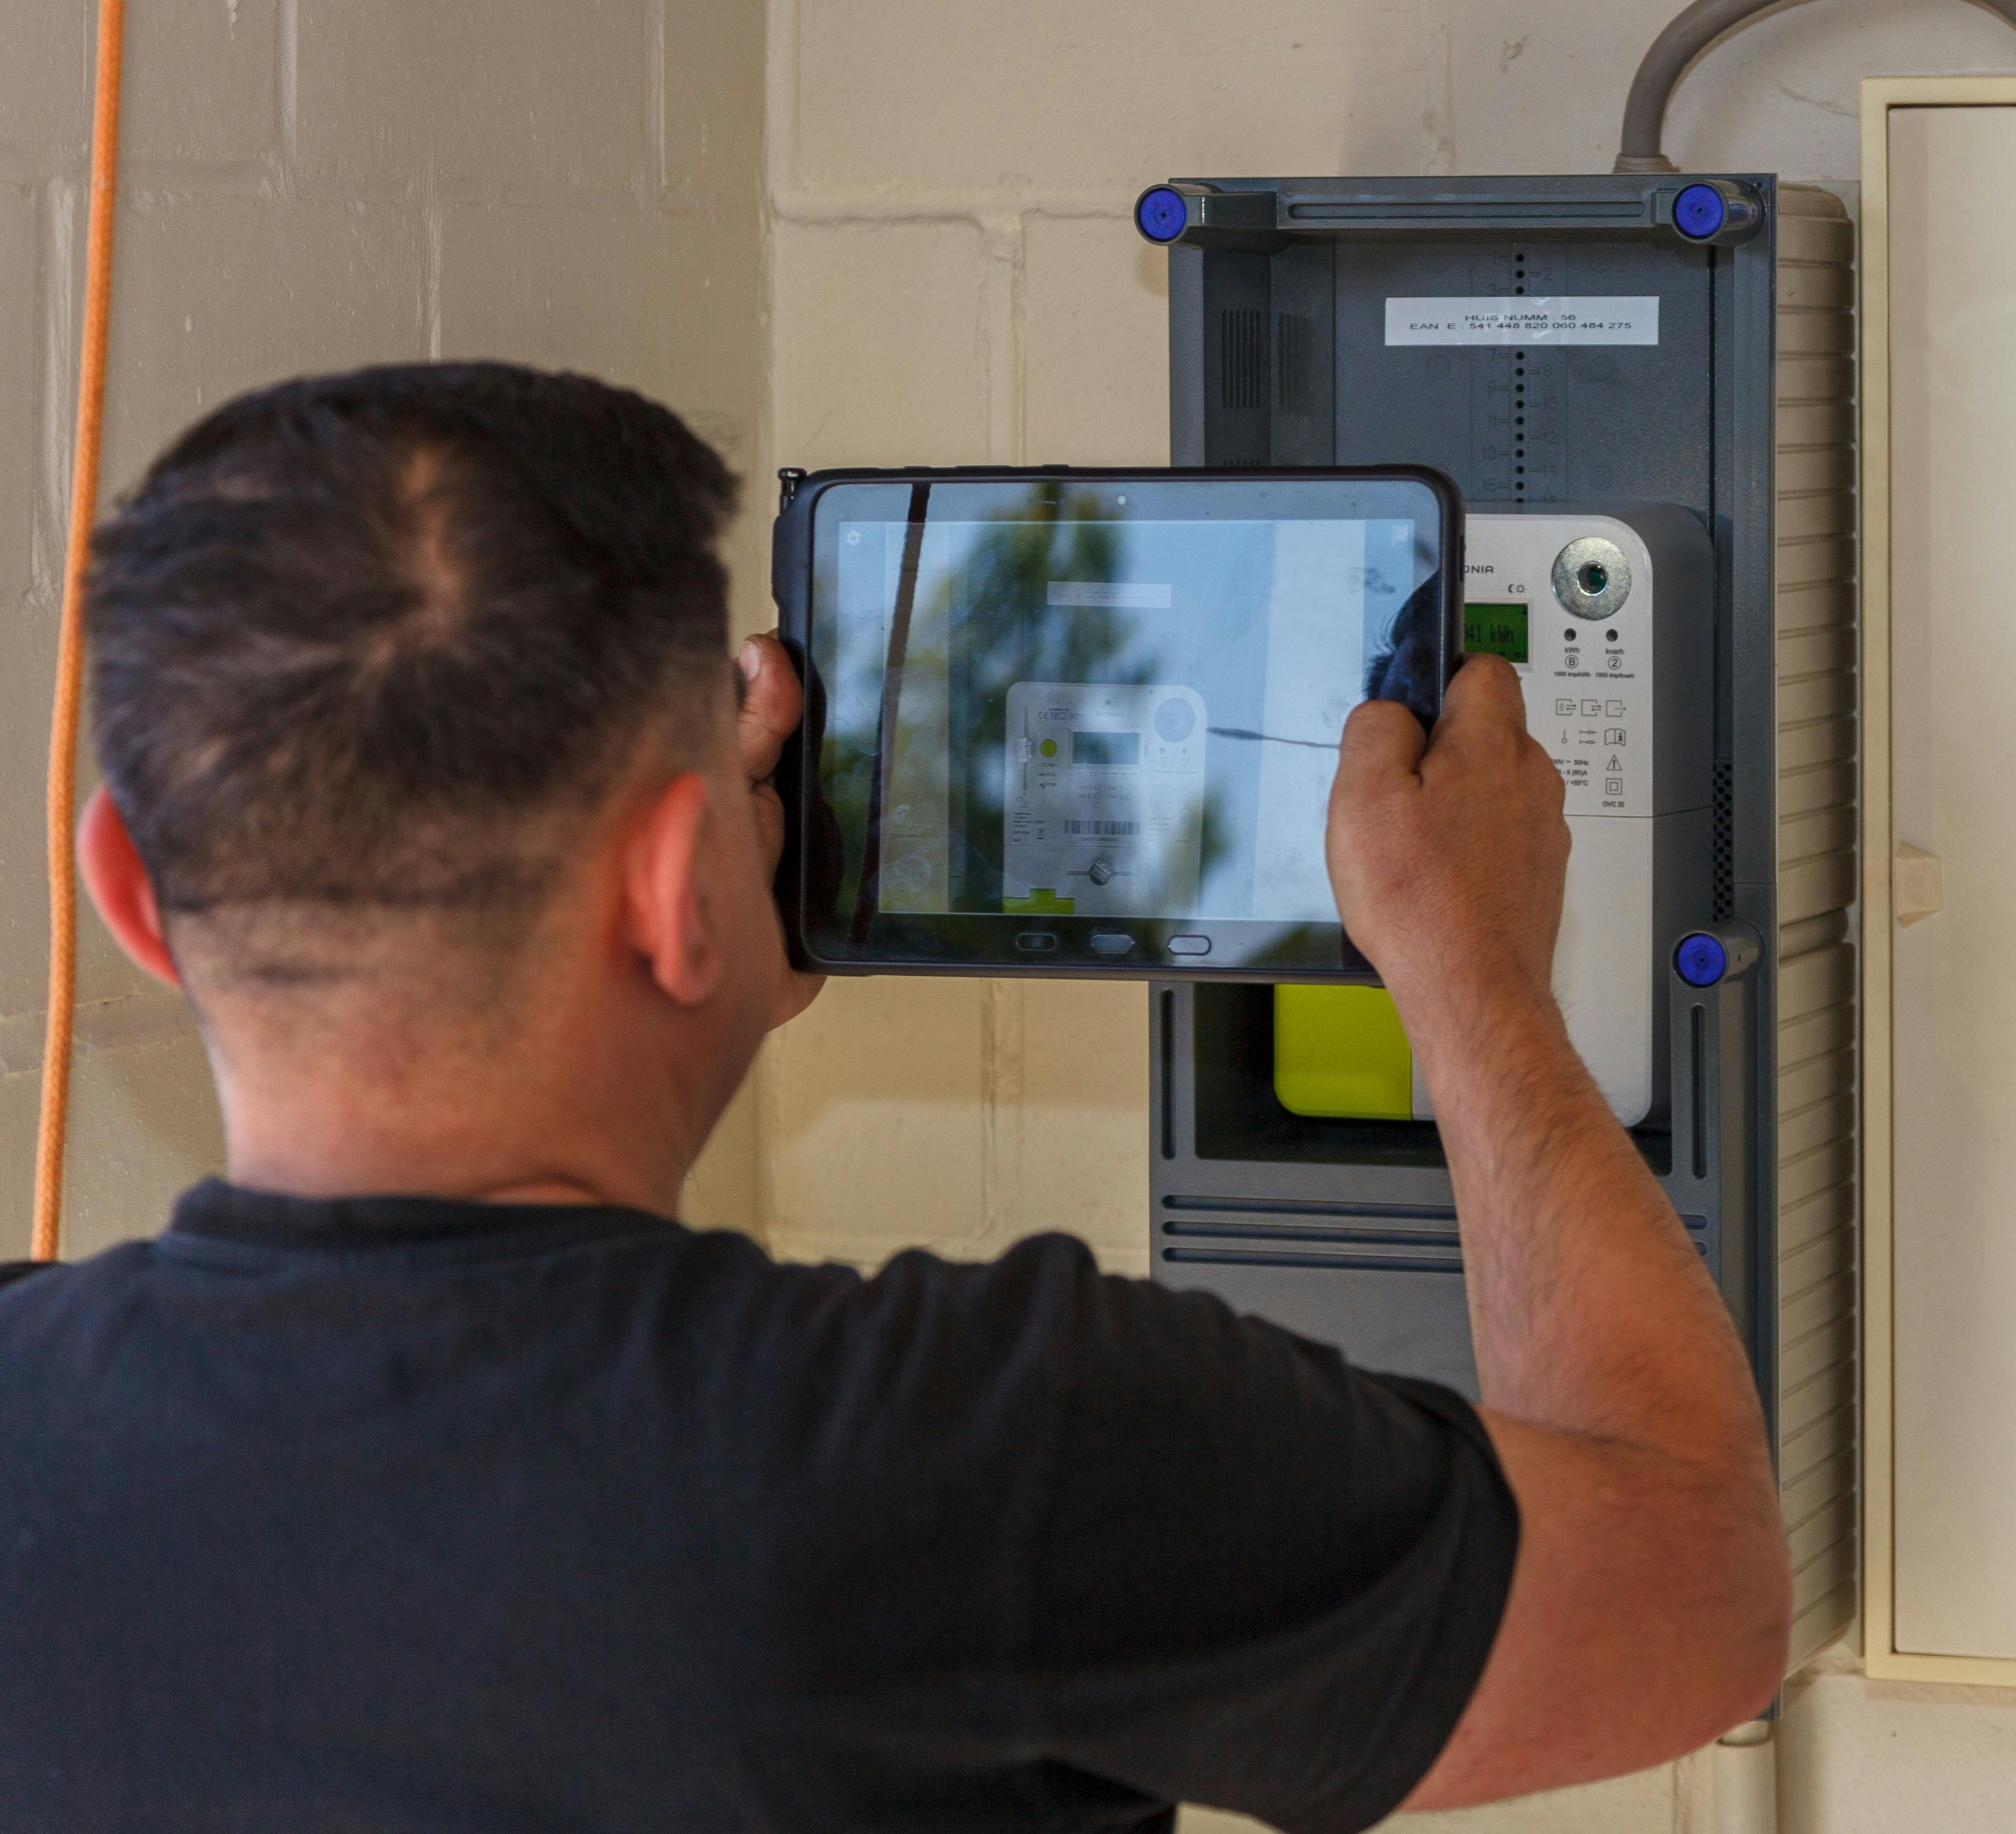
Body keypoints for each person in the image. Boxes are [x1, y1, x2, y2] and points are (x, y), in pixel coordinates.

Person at [0, 364, 1788, 1833]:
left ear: (129, 892)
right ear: (669, 876)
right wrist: (1468, 972)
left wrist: (682, 939)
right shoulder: (971, 1439)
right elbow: (1692, 1597)